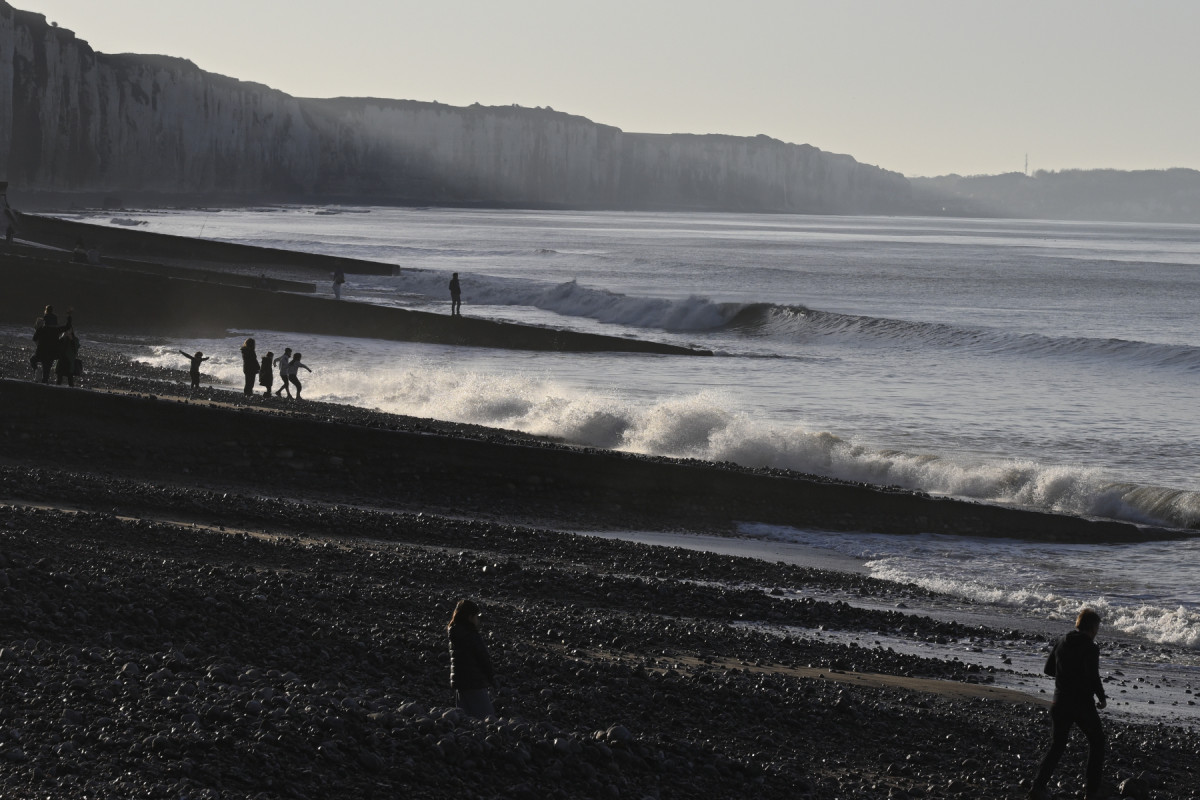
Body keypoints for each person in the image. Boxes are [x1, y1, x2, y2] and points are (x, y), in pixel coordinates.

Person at [1028, 608, 1108, 800]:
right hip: (1081, 704)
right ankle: (1091, 791)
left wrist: (1067, 676)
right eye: (1097, 627)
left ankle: (1038, 787)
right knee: (1098, 742)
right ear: (1093, 627)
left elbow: (1048, 669)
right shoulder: (1090, 647)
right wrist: (1102, 697)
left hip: (1059, 701)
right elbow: (1092, 676)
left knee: (1057, 745)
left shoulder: (1062, 641)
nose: (1097, 631)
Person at [447, 599, 497, 719]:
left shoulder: (454, 633)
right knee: (487, 719)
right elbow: (483, 659)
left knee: (465, 719)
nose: (478, 620)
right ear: (470, 617)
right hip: (475, 683)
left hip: (460, 683)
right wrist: (491, 679)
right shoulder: (472, 635)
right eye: (476, 617)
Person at [31, 306, 70, 383]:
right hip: (52, 353)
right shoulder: (56, 329)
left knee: (32, 360)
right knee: (46, 371)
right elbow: (67, 326)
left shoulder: (41, 329)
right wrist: (69, 317)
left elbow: (34, 338)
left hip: (41, 352)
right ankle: (44, 385)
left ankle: (36, 370)